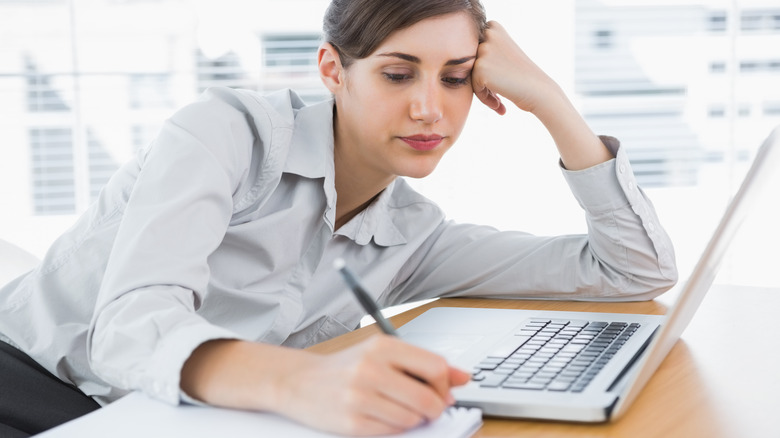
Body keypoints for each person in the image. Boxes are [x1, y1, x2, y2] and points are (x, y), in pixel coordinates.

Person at [0, 0, 678, 436]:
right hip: (29, 383)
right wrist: (306, 382)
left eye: (455, 78)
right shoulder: (225, 133)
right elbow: (130, 331)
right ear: (333, 69)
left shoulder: (411, 234)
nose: (429, 110)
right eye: (397, 73)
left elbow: (633, 269)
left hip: (165, 416)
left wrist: (552, 103)